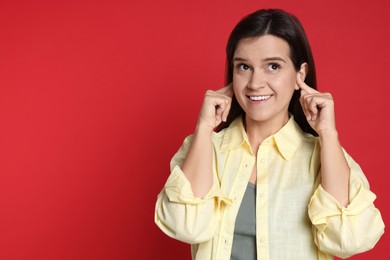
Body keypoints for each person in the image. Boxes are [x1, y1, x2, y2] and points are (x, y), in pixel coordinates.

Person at [154, 9, 385, 260]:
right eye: (244, 67)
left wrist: (328, 133)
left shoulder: (322, 155)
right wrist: (203, 127)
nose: (255, 82)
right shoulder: (205, 148)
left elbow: (348, 239)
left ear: (300, 74)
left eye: (272, 66)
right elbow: (186, 227)